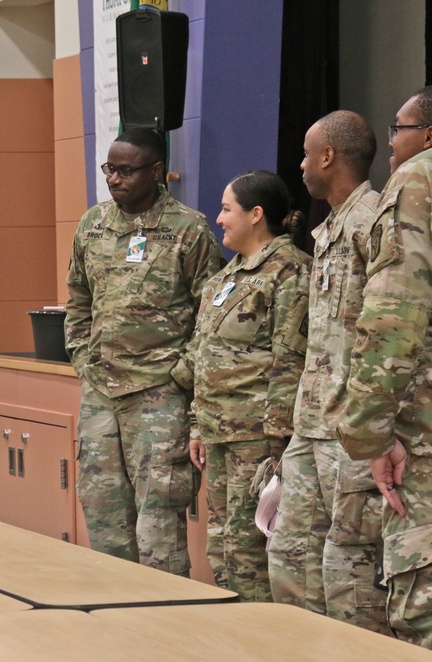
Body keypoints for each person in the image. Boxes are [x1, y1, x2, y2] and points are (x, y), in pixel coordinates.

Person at [65, 128, 223, 576]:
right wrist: (81, 357)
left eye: (126, 170)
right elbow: (77, 298)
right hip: (101, 391)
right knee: (102, 511)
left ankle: (167, 623)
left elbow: (210, 312)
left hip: (158, 393)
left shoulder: (188, 230)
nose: (115, 179)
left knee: (158, 522)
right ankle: (116, 621)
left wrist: (181, 375)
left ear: (156, 172)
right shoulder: (93, 224)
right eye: (109, 169)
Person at [268, 111, 392, 634]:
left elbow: (390, 331)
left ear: (328, 157)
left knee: (350, 574)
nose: (299, 165)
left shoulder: (373, 221)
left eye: (305, 152)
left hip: (351, 432)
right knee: (291, 559)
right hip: (311, 423)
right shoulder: (329, 231)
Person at [184, 170, 310, 601]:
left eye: (226, 209)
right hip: (221, 437)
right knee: (222, 551)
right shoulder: (225, 278)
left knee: (252, 557)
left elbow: (289, 360)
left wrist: (278, 444)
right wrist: (198, 427)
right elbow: (204, 356)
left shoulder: (289, 272)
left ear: (256, 214)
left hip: (257, 442)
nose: (218, 219)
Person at [337, 85, 432, 647]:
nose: (392, 143)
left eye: (398, 129)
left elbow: (395, 314)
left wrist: (370, 434)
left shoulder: (420, 179)